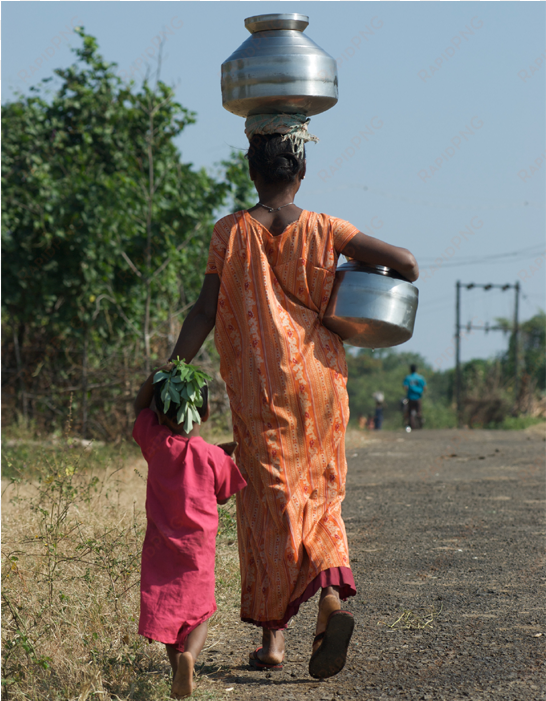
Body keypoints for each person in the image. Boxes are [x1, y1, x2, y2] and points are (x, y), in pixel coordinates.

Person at [169, 113, 419, 679]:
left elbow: (205, 312)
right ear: (301, 169)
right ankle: (330, 605)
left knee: (269, 504)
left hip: (261, 390)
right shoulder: (328, 228)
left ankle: (273, 641)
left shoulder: (229, 233)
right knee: (321, 496)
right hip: (321, 384)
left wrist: (172, 370)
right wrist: (353, 270)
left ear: (250, 169)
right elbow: (406, 264)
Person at [133, 363, 247, 698]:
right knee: (200, 613)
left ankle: (177, 664)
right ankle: (190, 657)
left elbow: (140, 409)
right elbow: (225, 495)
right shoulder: (212, 455)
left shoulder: (155, 444)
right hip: (199, 550)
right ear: (206, 411)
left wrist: (154, 379)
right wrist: (223, 457)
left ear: (160, 410)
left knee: (167, 613)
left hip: (160, 549)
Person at [402, 364, 427, 430]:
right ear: (416, 369)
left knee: (409, 412)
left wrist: (410, 389)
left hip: (410, 398)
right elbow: (425, 388)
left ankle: (411, 426)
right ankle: (420, 419)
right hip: (418, 398)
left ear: (410, 370)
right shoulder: (420, 378)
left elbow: (405, 387)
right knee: (419, 411)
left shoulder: (408, 378)